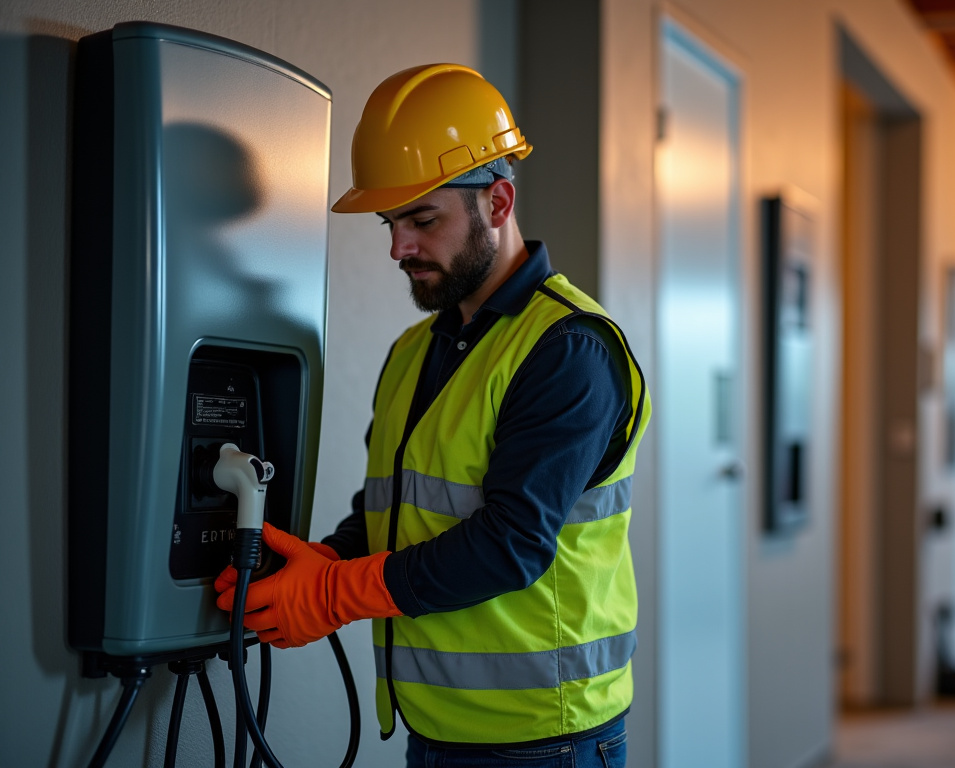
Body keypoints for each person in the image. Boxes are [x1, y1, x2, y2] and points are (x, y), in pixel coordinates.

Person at [215, 64, 649, 767]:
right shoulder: (414, 351)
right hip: (436, 730)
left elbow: (511, 545)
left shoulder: (568, 350)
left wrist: (331, 594)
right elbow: (396, 511)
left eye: (423, 219)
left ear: (499, 203)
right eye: (392, 222)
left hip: (544, 739)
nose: (398, 247)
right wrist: (321, 560)